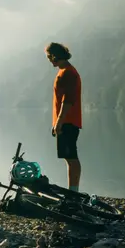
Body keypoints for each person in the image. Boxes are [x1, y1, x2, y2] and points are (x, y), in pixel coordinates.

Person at [46, 41, 82, 191]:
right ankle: (72, 191)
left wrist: (59, 122)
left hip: (68, 122)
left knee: (71, 158)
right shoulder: (63, 71)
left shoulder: (68, 73)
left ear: (54, 56)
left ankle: (73, 192)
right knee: (69, 158)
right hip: (65, 122)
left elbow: (68, 100)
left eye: (49, 57)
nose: (48, 60)